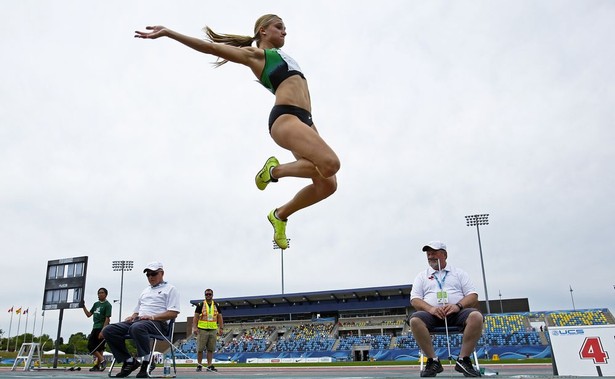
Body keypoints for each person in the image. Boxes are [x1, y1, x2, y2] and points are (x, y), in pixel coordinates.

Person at [134, 15, 341, 250]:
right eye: (279, 27)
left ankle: (280, 215)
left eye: (285, 29)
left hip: (306, 120)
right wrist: (169, 33)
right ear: (263, 31)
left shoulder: (284, 56)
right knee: (330, 163)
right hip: (286, 117)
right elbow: (211, 47)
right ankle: (272, 171)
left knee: (328, 184)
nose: (285, 32)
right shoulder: (256, 55)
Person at [409, 241, 483, 377]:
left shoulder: (459, 273)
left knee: (476, 316)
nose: (430, 256)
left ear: (444, 255)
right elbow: (415, 299)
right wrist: (431, 309)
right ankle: (433, 361)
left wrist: (457, 306)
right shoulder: (421, 276)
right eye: (428, 253)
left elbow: (473, 296)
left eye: (434, 253)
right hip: (431, 315)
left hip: (457, 313)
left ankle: (463, 360)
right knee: (415, 320)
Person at [102, 262, 180, 378]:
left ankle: (146, 362)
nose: (150, 277)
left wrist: (152, 317)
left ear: (162, 273)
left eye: (153, 274)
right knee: (108, 330)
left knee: (137, 327)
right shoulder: (145, 291)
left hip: (158, 323)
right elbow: (137, 311)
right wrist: (132, 316)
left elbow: (173, 313)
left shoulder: (170, 289)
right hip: (139, 322)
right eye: (148, 275)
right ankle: (129, 361)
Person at [192, 288, 224, 372]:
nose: (208, 296)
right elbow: (195, 317)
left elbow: (220, 317)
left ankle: (209, 365)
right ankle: (199, 365)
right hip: (202, 329)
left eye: (210, 294)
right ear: (205, 295)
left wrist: (221, 328)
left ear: (212, 295)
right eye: (207, 294)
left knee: (210, 349)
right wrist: (194, 327)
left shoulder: (216, 305)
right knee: (200, 349)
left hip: (213, 329)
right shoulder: (200, 304)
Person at [82, 287, 112, 371]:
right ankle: (98, 365)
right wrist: (83, 306)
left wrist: (103, 331)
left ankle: (102, 361)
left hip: (102, 327)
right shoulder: (96, 304)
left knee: (94, 347)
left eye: (102, 293)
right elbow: (88, 314)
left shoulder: (107, 305)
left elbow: (107, 318)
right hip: (95, 327)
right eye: (99, 293)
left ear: (106, 294)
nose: (100, 294)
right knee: (97, 348)